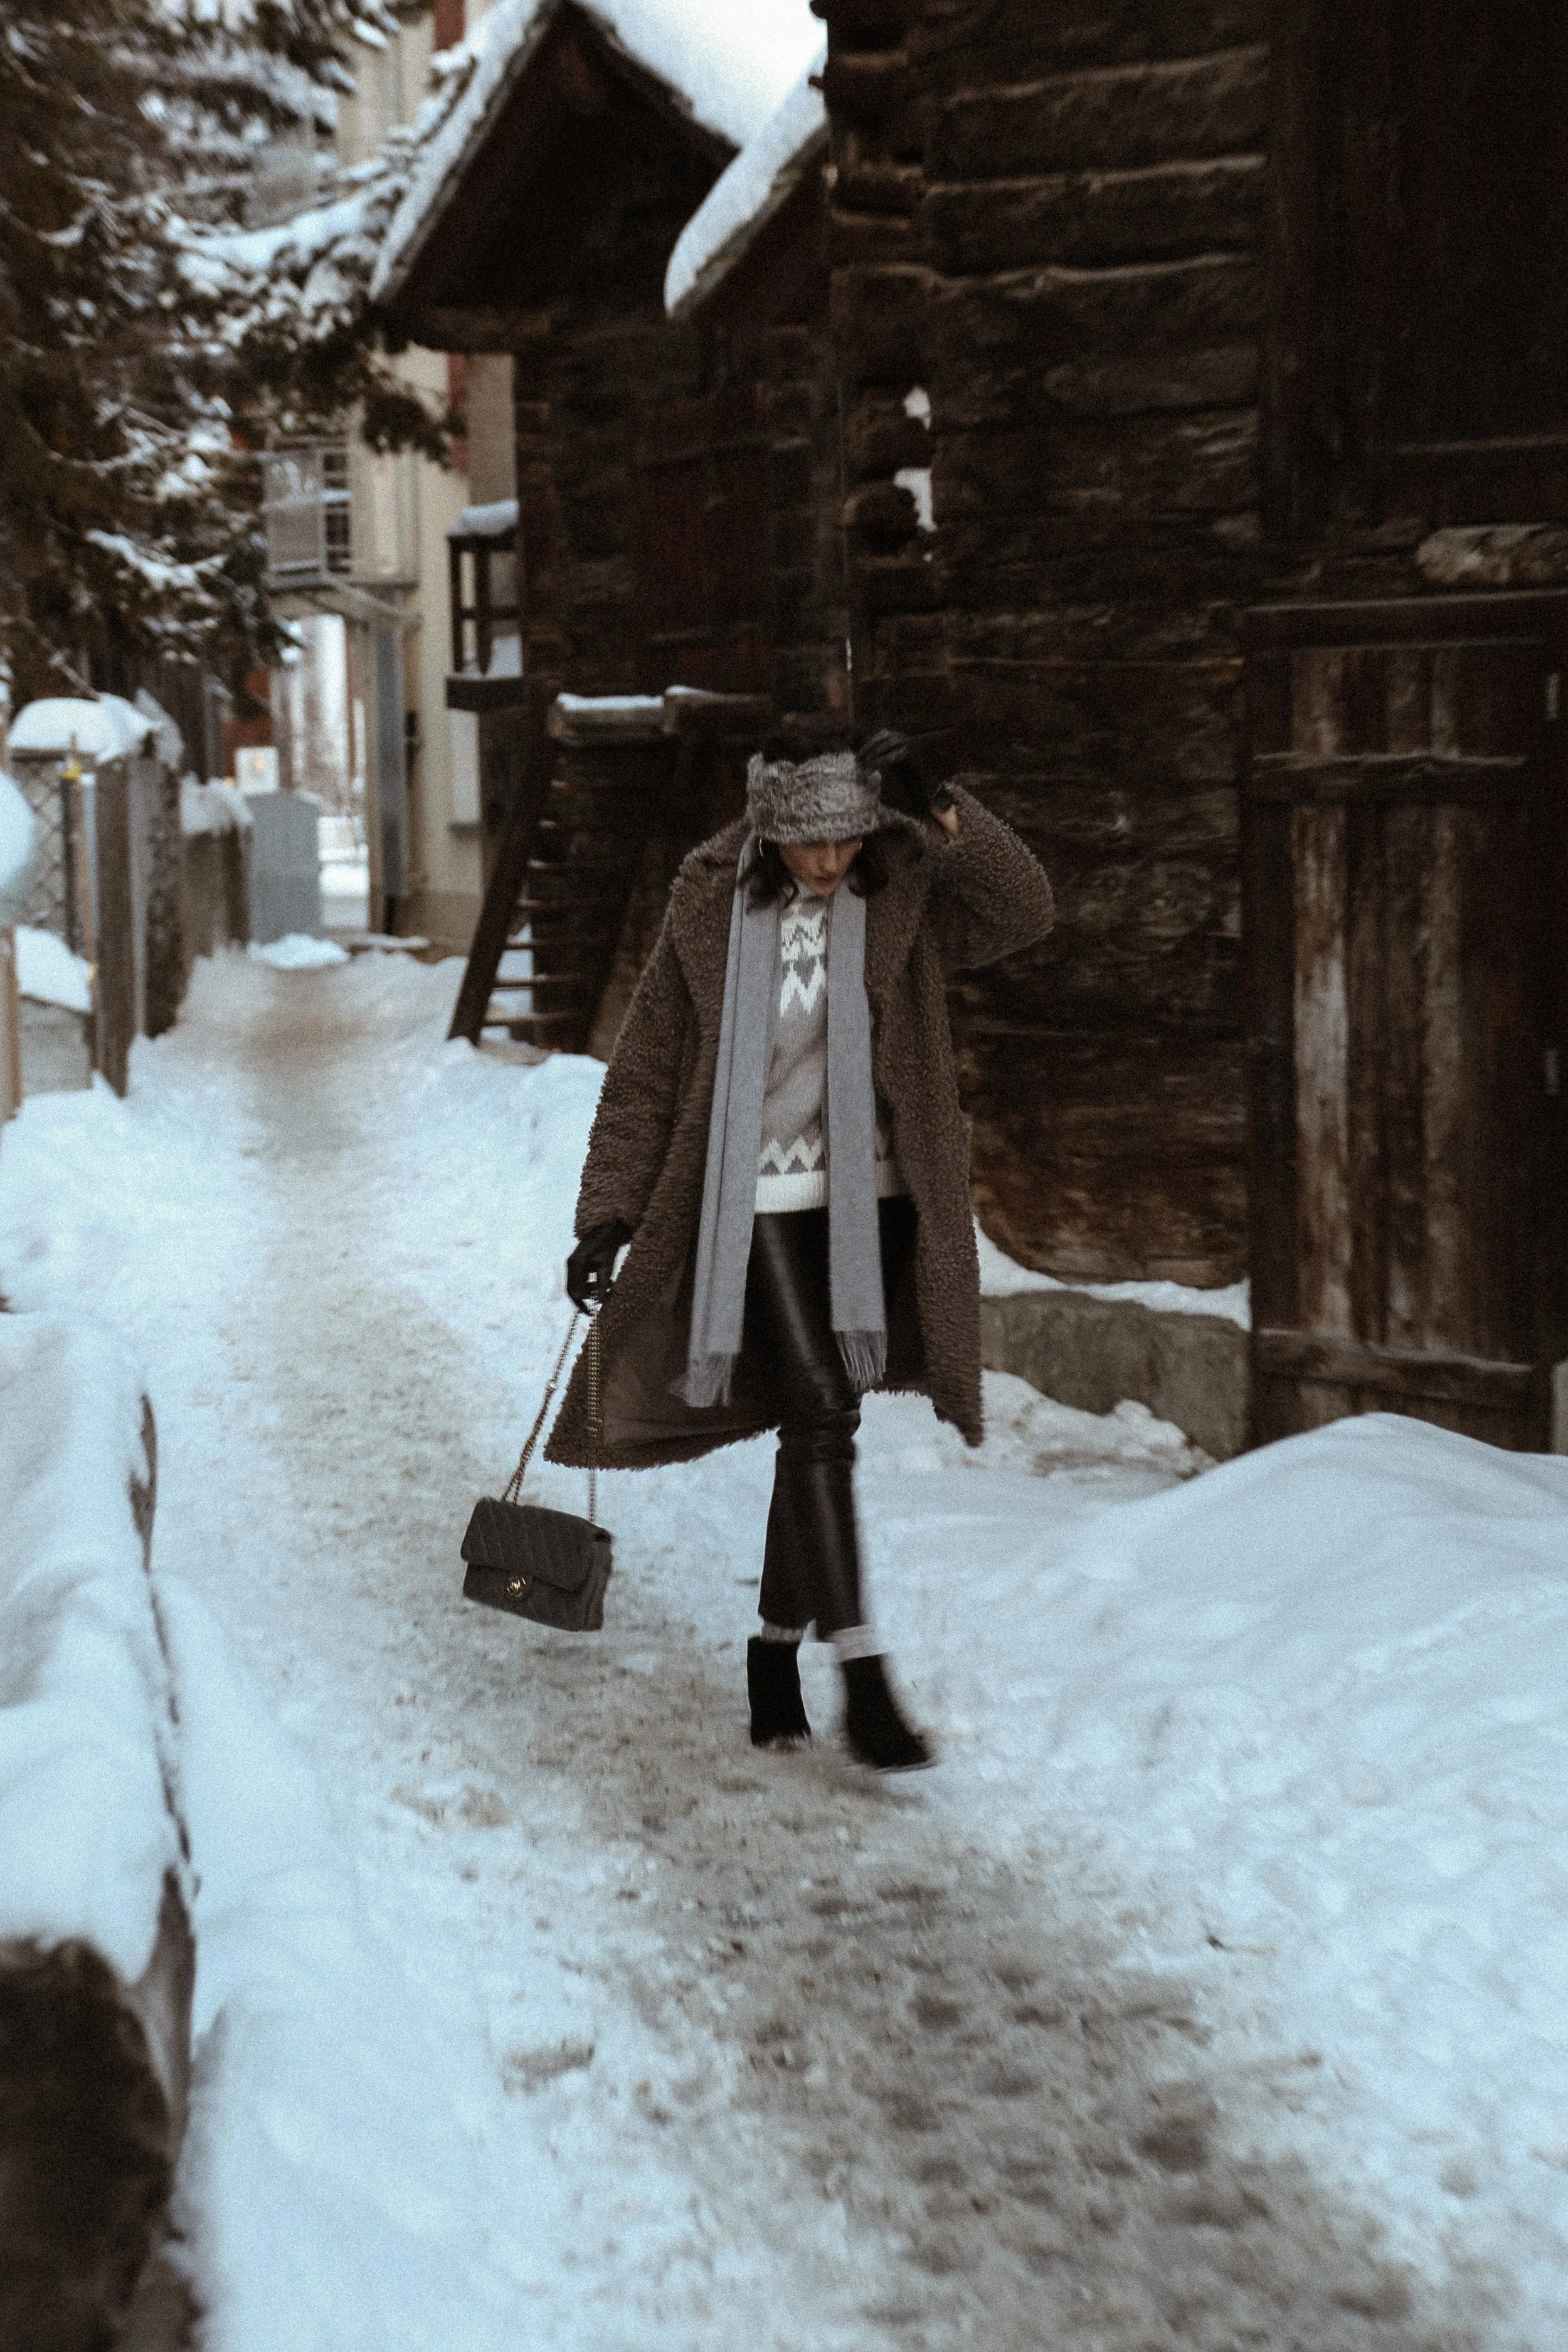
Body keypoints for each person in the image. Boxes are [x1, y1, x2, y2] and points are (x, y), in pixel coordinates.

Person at [548, 731, 1053, 1769]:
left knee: (816, 1419)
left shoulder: (902, 897)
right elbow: (645, 1069)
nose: (829, 862)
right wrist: (606, 1210)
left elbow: (1023, 910)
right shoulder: (707, 904)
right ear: (768, 825)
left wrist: (945, 805)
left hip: (868, 1200)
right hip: (751, 1199)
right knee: (822, 1406)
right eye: (808, 843)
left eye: (848, 838)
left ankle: (774, 1654)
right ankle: (862, 1671)